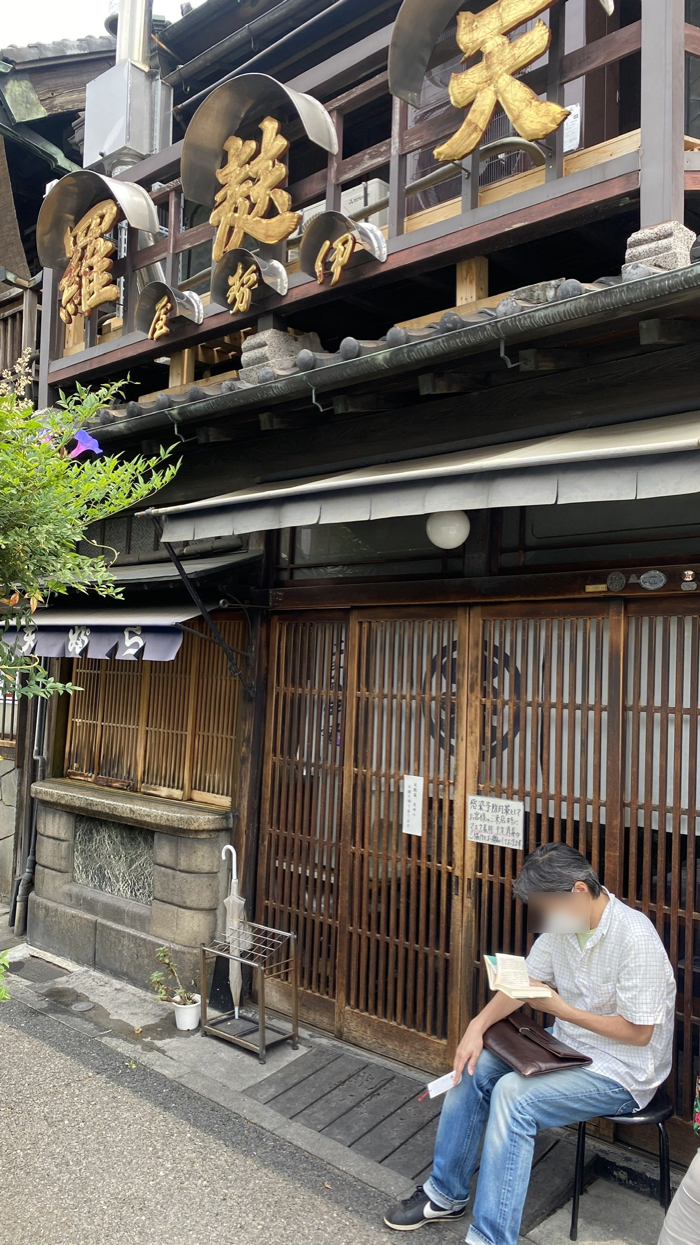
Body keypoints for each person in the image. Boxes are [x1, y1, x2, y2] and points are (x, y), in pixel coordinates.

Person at [384, 842, 676, 1241]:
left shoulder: (635, 937)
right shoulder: (565, 924)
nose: (545, 916)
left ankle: (490, 1237)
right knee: (473, 1065)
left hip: (623, 1071)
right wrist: (475, 1028)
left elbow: (639, 1034)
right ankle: (445, 1195)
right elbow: (526, 983)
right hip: (567, 1046)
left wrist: (562, 1009)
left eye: (547, 906)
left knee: (514, 1096)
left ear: (577, 891)